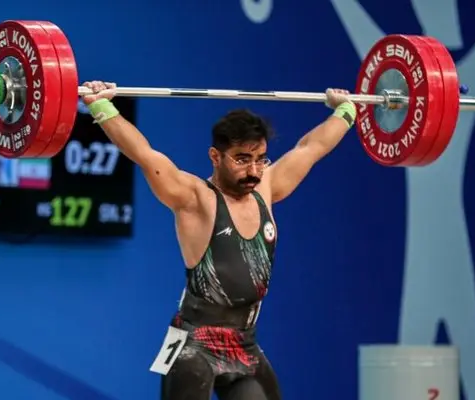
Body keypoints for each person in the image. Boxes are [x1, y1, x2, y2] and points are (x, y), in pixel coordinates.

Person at [82, 81, 356, 400]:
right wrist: (100, 105)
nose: (253, 170)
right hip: (194, 343)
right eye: (242, 159)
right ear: (215, 155)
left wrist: (346, 110)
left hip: (244, 343)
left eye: (260, 159)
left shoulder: (266, 188)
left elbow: (312, 148)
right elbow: (144, 154)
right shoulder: (195, 198)